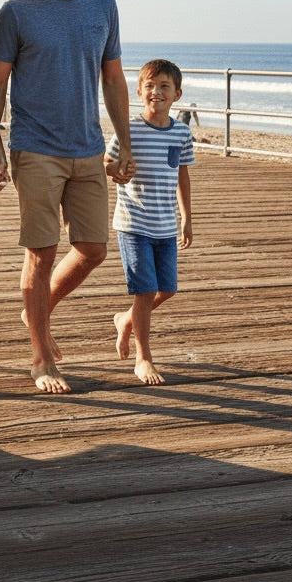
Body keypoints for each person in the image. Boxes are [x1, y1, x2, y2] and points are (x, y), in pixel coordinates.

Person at [0, 0, 134, 395]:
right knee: (42, 252)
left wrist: (124, 140)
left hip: (87, 146)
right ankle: (41, 354)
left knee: (92, 249)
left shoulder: (104, 7)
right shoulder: (18, 10)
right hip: (36, 148)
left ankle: (36, 309)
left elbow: (112, 77)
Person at [106, 59, 194, 386]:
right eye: (150, 86)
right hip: (133, 223)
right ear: (139, 91)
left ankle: (126, 320)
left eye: (164, 87)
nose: (156, 92)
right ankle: (143, 358)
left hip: (165, 225)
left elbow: (182, 175)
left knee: (166, 289)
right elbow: (106, 163)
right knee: (145, 291)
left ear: (177, 94)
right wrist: (117, 170)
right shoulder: (129, 129)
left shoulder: (182, 133)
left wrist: (186, 218)